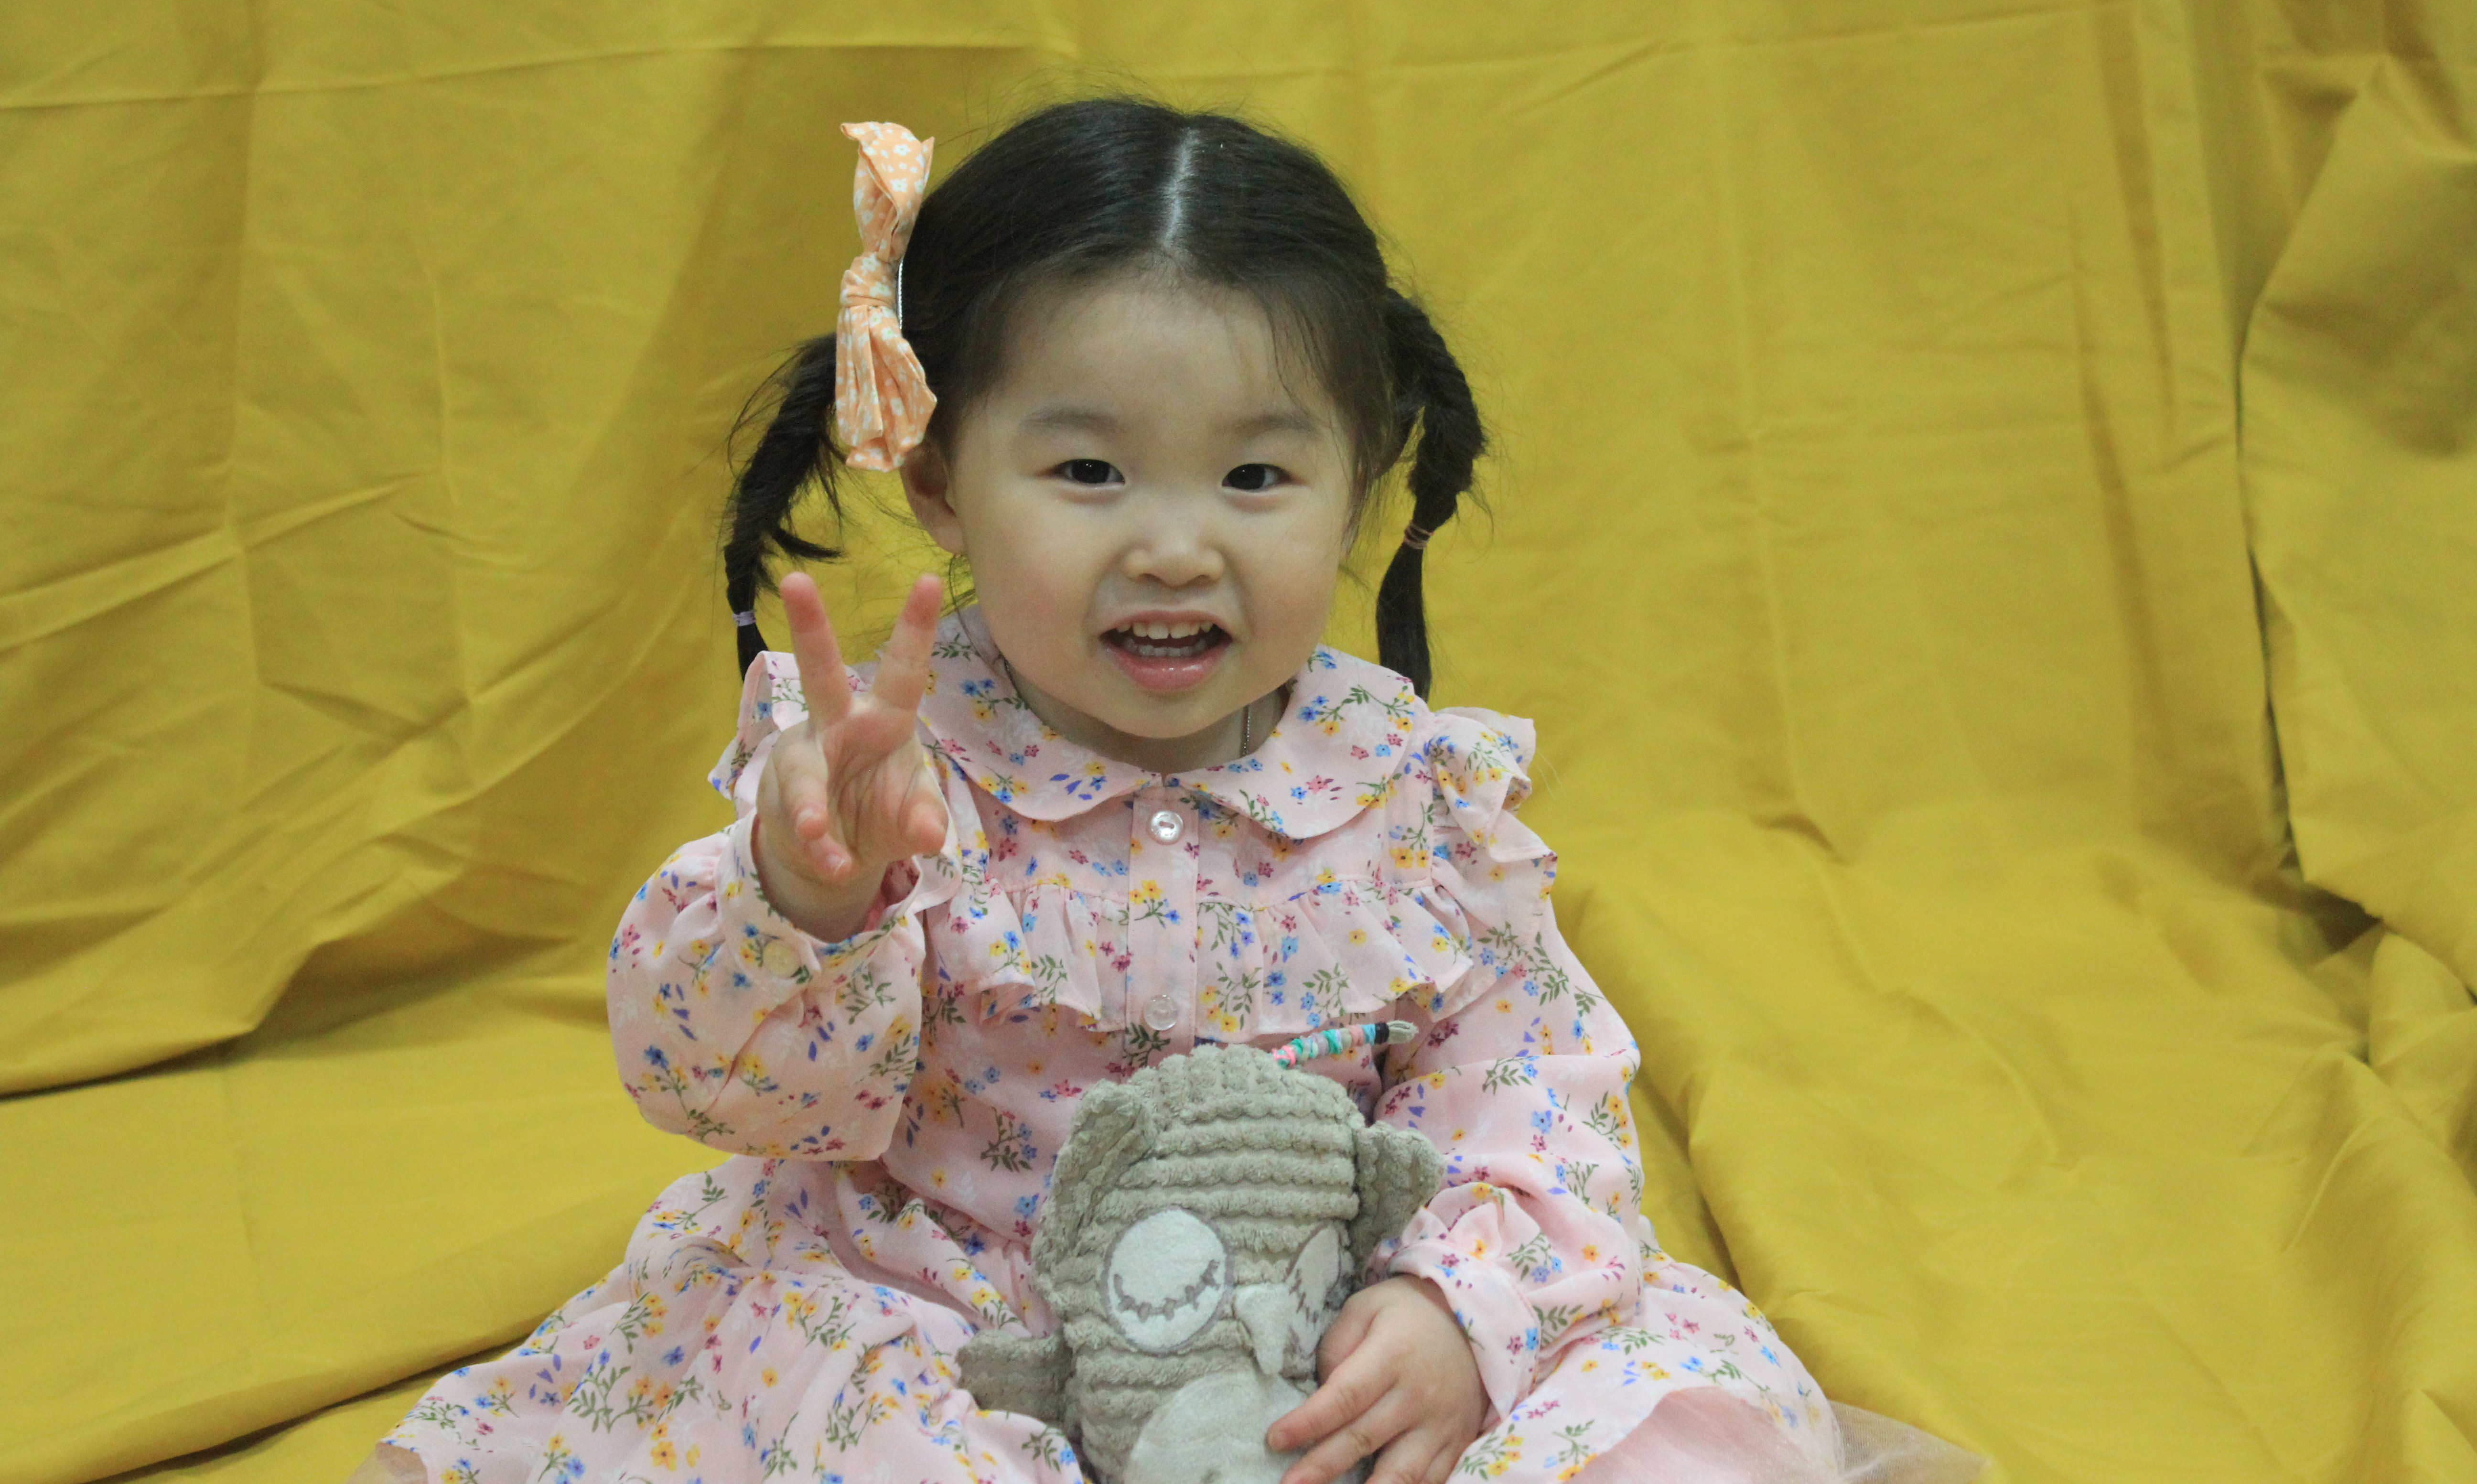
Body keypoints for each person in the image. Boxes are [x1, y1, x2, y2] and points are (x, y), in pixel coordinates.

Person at [360, 100, 1973, 1484]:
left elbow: (1533, 1089)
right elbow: (730, 1099)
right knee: (837, 1424)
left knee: (1666, 1408)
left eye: (1257, 476)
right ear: (940, 479)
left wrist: (1447, 1307)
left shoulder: (1411, 793)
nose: (1177, 545)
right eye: (1089, 472)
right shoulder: (883, 769)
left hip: (1311, 1322)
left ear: (1358, 482)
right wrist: (813, 898)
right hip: (953, 1316)